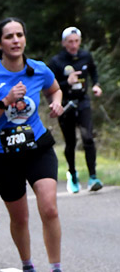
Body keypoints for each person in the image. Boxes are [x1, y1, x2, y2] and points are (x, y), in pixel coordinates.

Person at [0, 17, 73, 272]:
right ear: (0, 43)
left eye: (19, 35)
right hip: (4, 156)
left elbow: (55, 88)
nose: (15, 40)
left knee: (49, 207)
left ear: (25, 39)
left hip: (37, 148)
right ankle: (28, 268)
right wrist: (4, 101)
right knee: (20, 217)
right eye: (9, 36)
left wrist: (56, 102)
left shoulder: (38, 69)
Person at [48, 26, 103, 193]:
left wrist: (96, 85)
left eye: (76, 41)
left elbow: (93, 71)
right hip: (65, 104)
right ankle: (72, 174)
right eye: (70, 42)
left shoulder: (86, 56)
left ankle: (93, 177)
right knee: (70, 142)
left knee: (88, 138)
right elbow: (50, 86)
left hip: (83, 101)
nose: (74, 45)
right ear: (64, 43)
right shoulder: (56, 61)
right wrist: (67, 82)